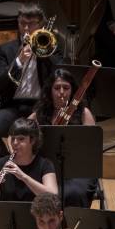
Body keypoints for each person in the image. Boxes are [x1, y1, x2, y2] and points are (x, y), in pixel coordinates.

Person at [0, 3, 62, 160]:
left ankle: (40, 168)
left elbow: (59, 75)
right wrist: (18, 61)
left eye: (31, 24)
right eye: (22, 23)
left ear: (41, 25)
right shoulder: (6, 50)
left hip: (41, 107)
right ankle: (9, 165)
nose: (26, 28)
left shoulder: (51, 47)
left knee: (51, 137)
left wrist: (43, 55)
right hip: (13, 107)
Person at [28, 68, 97, 207]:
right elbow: (18, 131)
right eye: (56, 88)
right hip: (48, 169)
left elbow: (92, 148)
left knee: (73, 193)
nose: (61, 92)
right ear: (50, 90)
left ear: (72, 90)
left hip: (77, 170)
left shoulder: (83, 113)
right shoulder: (40, 113)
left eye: (66, 88)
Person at [0, 118, 58, 203]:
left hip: (36, 211)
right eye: (13, 138)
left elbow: (53, 197)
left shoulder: (45, 164)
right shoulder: (0, 164)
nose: (15, 143)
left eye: (21, 139)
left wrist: (23, 177)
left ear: (32, 140)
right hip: (7, 211)